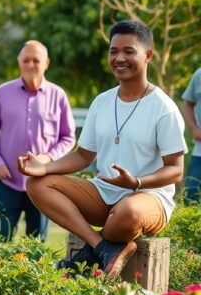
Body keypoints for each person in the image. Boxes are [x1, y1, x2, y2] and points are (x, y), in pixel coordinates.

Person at [20, 20, 186, 278]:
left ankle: (88, 255)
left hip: (149, 198)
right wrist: (44, 167)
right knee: (36, 184)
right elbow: (84, 156)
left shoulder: (163, 107)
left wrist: (136, 182)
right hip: (104, 193)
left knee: (128, 211)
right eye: (113, 51)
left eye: (129, 51)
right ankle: (100, 246)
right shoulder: (102, 102)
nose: (119, 58)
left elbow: (176, 170)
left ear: (148, 55)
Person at [0, 40, 76, 241]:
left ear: (46, 63)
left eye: (36, 60)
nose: (31, 64)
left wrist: (49, 158)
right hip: (8, 179)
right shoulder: (3, 92)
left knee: (36, 244)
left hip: (42, 181)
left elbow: (68, 137)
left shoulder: (58, 95)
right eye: (26, 60)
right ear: (19, 62)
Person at [182, 66, 201, 204]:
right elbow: (188, 104)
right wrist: (194, 129)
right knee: (191, 194)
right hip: (199, 151)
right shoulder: (199, 74)